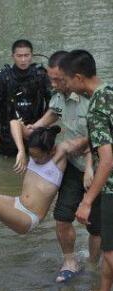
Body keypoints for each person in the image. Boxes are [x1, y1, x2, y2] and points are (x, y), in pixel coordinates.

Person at [11, 51, 101, 283]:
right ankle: (70, 261)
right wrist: (32, 130)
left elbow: (102, 137)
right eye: (50, 78)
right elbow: (52, 115)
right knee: (62, 217)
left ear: (74, 76)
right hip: (73, 165)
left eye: (58, 79)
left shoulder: (98, 98)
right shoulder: (60, 96)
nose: (53, 84)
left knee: (96, 225)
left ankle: (94, 263)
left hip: (101, 168)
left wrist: (85, 147)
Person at [60, 49, 113, 291]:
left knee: (110, 254)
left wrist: (87, 202)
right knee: (106, 256)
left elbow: (107, 160)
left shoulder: (96, 107)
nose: (67, 85)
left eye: (67, 79)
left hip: (111, 189)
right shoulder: (110, 91)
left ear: (79, 78)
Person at [0, 125, 88, 234]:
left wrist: (89, 167)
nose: (34, 159)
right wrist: (21, 151)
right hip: (17, 202)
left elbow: (89, 139)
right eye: (31, 155)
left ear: (51, 151)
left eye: (38, 157)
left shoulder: (60, 152)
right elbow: (15, 123)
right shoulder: (35, 142)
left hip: (29, 218)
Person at [0, 39, 51, 157]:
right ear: (13, 56)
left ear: (31, 55)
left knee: (38, 161)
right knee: (9, 164)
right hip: (8, 133)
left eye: (26, 55)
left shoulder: (41, 76)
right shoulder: (2, 79)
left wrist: (44, 124)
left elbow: (52, 103)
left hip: (35, 129)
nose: (23, 60)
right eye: (19, 56)